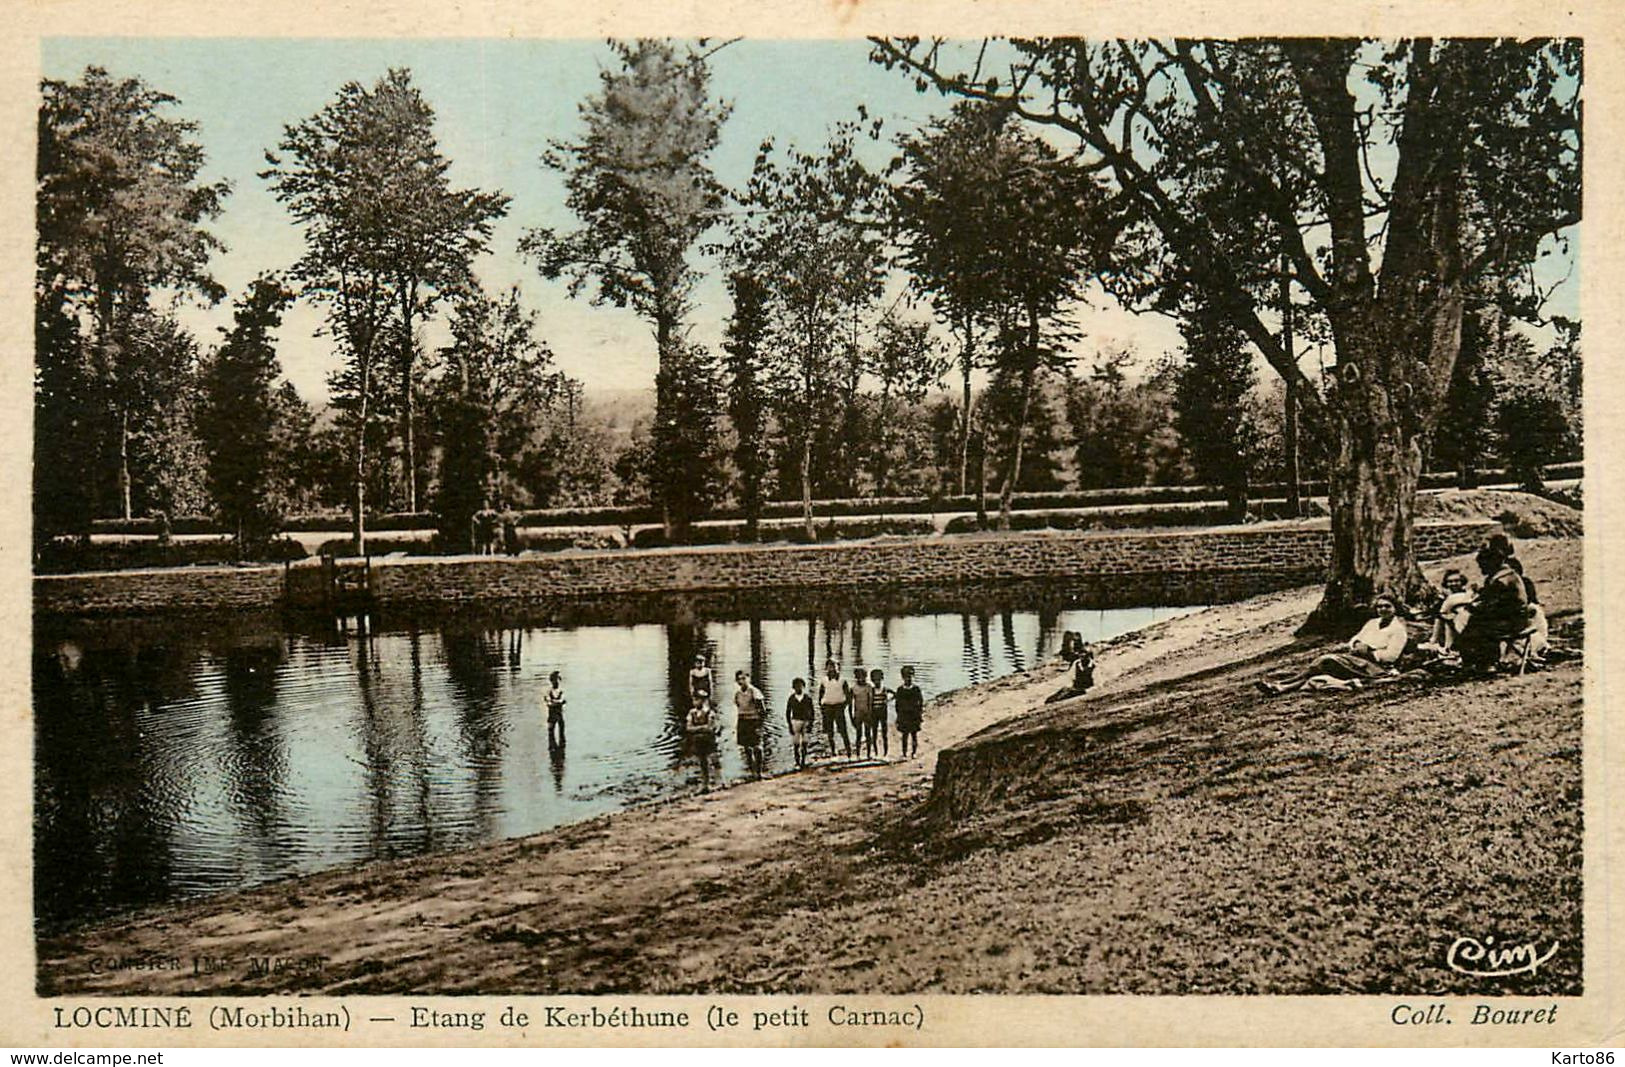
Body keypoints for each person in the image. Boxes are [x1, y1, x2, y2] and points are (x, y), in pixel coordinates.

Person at [1258, 595, 1409, 694]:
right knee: (1323, 667)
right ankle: (1282, 686)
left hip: (1375, 667)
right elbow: (1355, 638)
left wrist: (1368, 651)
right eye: (1380, 606)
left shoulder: (1397, 630)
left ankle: (1283, 685)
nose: (1383, 609)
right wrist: (1356, 644)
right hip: (1356, 660)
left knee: (1327, 660)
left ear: (1395, 608)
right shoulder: (1372, 623)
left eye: (1387, 606)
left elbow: (1391, 657)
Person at [1456, 543, 1531, 672]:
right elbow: (1490, 600)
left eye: (1482, 565)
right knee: (1475, 623)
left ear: (1491, 563)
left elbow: (1492, 606)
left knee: (1476, 627)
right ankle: (1478, 662)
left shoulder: (1501, 581)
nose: (1480, 569)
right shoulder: (1506, 575)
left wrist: (1473, 609)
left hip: (1512, 621)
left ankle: (1484, 663)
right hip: (1514, 618)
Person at [1426, 568, 1476, 652]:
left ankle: (1437, 641)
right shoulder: (1443, 598)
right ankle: (1442, 643)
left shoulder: (1468, 594)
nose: (1453, 584)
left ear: (1462, 582)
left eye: (1457, 581)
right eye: (1450, 581)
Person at [733, 670, 767, 778]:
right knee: (746, 747)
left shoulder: (754, 691)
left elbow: (762, 710)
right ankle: (752, 771)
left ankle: (759, 772)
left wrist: (760, 725)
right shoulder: (737, 693)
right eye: (739, 679)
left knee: (757, 746)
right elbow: (738, 706)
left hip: (753, 720)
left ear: (748, 679)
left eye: (744, 678)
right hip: (742, 720)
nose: (741, 681)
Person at [817, 659, 852, 759]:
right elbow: (821, 694)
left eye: (834, 666)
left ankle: (848, 750)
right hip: (827, 707)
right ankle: (833, 751)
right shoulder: (824, 680)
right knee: (830, 731)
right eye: (829, 666)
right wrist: (821, 706)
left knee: (842, 730)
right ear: (826, 668)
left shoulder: (842, 680)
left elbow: (848, 696)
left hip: (838, 707)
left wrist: (844, 706)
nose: (832, 669)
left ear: (838, 668)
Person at [686, 693, 718, 791]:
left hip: (708, 740)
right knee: (702, 761)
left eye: (698, 699)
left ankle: (713, 782)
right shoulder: (692, 712)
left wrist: (697, 728)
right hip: (698, 740)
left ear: (703, 701)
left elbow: (710, 728)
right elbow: (688, 728)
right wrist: (702, 727)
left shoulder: (709, 712)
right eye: (694, 700)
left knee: (712, 760)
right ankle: (704, 784)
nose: (695, 702)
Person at [893, 666, 924, 758]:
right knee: (904, 735)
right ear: (903, 677)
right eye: (906, 676)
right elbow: (897, 704)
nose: (908, 678)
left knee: (914, 735)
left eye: (910, 676)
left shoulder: (916, 689)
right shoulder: (900, 690)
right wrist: (898, 716)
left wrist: (919, 713)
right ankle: (904, 753)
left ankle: (914, 752)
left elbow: (920, 701)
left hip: (913, 715)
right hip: (904, 715)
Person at [786, 677, 816, 769]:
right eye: (796, 686)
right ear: (793, 687)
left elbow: (812, 711)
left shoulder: (807, 698)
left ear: (804, 687)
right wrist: (790, 725)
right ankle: (797, 762)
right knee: (796, 743)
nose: (798, 688)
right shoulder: (791, 698)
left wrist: (811, 723)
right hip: (795, 721)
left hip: (806, 721)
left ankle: (803, 761)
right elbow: (788, 712)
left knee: (805, 742)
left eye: (800, 686)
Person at [849, 667, 876, 758]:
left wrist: (872, 714)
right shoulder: (853, 688)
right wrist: (851, 717)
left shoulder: (869, 687)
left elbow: (871, 701)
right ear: (856, 677)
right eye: (859, 677)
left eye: (863, 676)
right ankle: (858, 754)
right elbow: (850, 704)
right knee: (858, 735)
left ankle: (868, 754)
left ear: (866, 677)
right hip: (858, 714)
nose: (861, 678)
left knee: (868, 734)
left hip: (867, 713)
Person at [870, 668, 891, 758]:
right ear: (872, 680)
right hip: (874, 713)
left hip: (883, 713)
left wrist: (888, 700)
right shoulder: (871, 690)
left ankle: (885, 753)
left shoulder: (885, 689)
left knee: (884, 733)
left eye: (878, 679)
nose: (877, 681)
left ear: (882, 679)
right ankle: (876, 753)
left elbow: (895, 694)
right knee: (874, 733)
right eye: (875, 680)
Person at [544, 670, 567, 746]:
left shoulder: (561, 691)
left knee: (562, 735)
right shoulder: (548, 691)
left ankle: (561, 753)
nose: (556, 682)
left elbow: (563, 701)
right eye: (554, 680)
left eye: (557, 679)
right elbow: (548, 703)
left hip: (559, 715)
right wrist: (557, 702)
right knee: (551, 734)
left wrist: (554, 702)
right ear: (551, 681)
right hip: (551, 715)